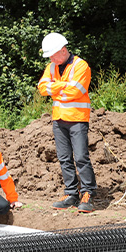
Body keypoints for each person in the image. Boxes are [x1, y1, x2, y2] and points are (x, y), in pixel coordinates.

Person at [37, 32, 97, 213]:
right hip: (59, 119)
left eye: (53, 55)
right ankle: (71, 193)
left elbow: (75, 92)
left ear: (63, 50)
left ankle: (87, 193)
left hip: (77, 119)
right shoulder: (52, 66)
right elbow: (42, 88)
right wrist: (63, 87)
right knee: (64, 158)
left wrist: (55, 88)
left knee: (80, 157)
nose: (51, 59)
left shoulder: (81, 66)